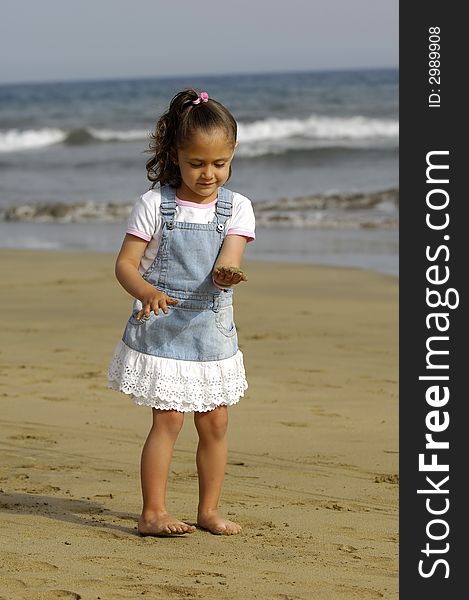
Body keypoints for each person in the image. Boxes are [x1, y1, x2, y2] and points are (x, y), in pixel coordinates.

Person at [107, 89, 255, 536]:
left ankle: (208, 510)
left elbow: (230, 260)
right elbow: (125, 265)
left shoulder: (238, 207)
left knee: (216, 422)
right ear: (176, 156)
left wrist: (228, 274)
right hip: (164, 328)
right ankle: (153, 512)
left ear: (231, 156)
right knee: (167, 419)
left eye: (219, 164)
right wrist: (146, 290)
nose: (208, 174)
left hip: (211, 330)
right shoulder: (155, 205)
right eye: (196, 164)